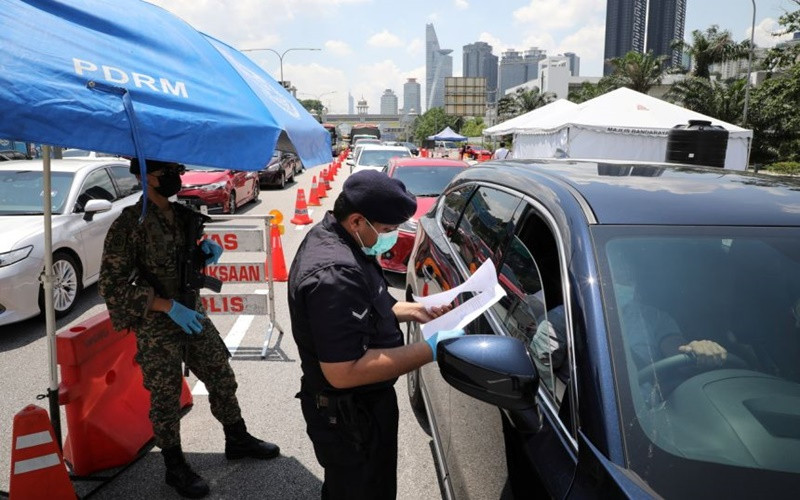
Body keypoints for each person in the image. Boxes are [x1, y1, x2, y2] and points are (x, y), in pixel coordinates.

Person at [99, 159, 279, 499]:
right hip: (158, 323)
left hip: (191, 312)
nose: (175, 179)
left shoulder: (183, 216)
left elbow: (184, 259)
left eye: (177, 172)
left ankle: (237, 437)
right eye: (167, 173)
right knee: (166, 397)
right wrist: (166, 306)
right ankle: (174, 465)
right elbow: (112, 286)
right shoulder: (128, 225)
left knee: (220, 373)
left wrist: (203, 254)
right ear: (144, 177)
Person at [288, 169, 462, 499]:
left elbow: (364, 306)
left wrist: (413, 310)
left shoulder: (340, 239)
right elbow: (343, 372)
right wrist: (434, 348)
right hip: (352, 416)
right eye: (387, 230)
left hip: (359, 409)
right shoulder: (335, 273)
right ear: (357, 221)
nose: (392, 236)